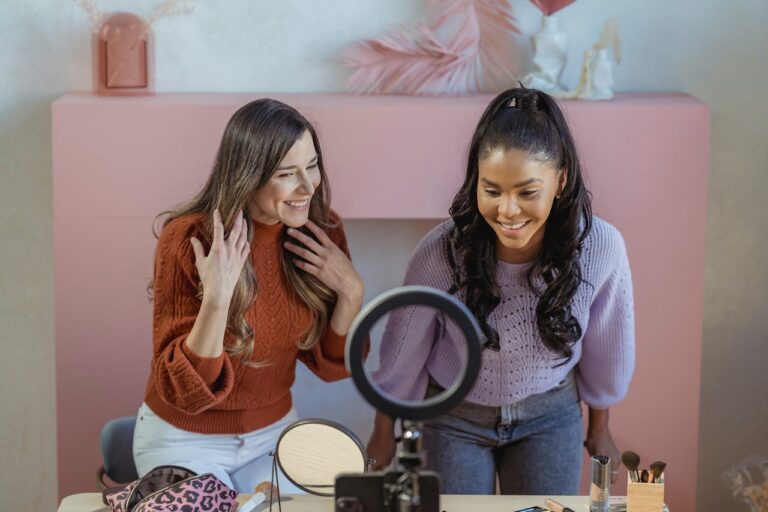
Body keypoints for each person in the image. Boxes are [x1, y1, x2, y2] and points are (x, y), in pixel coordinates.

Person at [367, 87, 635, 495]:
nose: (507, 211)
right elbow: (404, 350)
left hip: (550, 414)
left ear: (560, 180)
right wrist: (383, 431)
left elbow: (607, 345)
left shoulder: (601, 247)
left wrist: (600, 429)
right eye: (492, 190)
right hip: (452, 416)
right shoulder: (440, 252)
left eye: (527, 192)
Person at [132, 98, 364, 493]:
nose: (308, 186)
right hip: (184, 439)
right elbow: (185, 393)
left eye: (312, 166)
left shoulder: (319, 231)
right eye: (288, 174)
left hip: (274, 437)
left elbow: (332, 368)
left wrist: (352, 292)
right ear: (248, 175)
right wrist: (218, 298)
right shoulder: (190, 238)